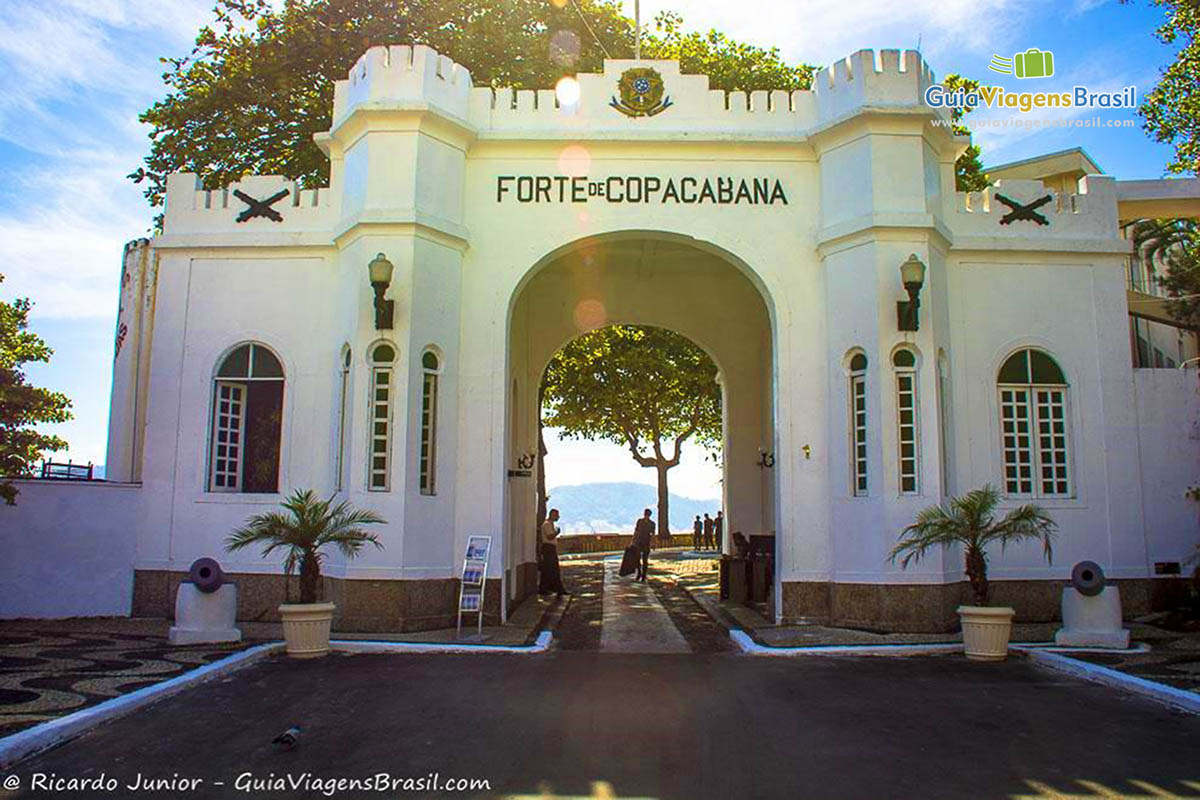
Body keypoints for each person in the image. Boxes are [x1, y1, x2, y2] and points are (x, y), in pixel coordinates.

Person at [539, 508, 567, 596]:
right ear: (552, 515)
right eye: (557, 515)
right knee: (550, 568)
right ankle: (547, 588)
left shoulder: (550, 524)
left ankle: (552, 588)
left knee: (551, 569)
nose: (558, 517)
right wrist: (556, 533)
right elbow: (549, 537)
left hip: (550, 548)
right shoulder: (547, 524)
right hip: (548, 548)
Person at [631, 508, 655, 582]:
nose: (646, 516)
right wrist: (633, 541)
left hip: (646, 543)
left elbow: (653, 534)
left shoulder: (652, 524)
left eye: (647, 515)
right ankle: (639, 572)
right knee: (637, 559)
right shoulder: (639, 521)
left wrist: (653, 544)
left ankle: (643, 576)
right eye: (645, 514)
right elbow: (636, 531)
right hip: (639, 542)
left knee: (645, 560)